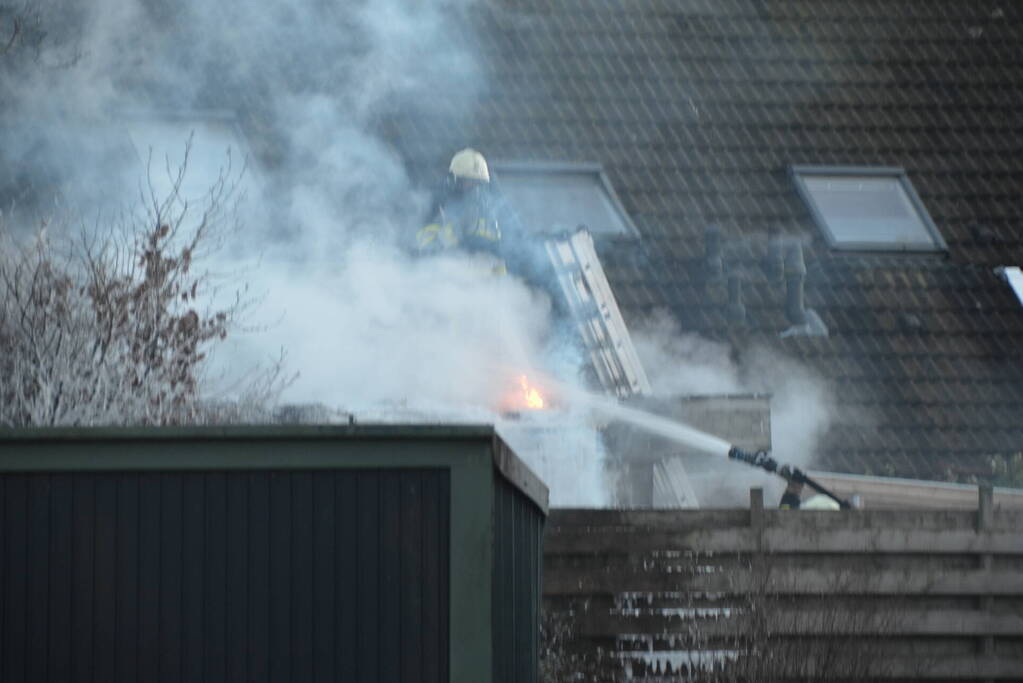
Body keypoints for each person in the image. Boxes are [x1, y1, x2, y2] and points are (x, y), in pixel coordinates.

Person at [416, 148, 503, 268]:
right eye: (468, 181)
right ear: (455, 180)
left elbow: (496, 251)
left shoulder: (486, 207)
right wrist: (446, 244)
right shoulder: (438, 204)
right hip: (444, 268)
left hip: (479, 271)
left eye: (478, 183)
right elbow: (425, 241)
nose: (473, 187)